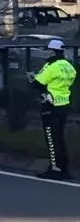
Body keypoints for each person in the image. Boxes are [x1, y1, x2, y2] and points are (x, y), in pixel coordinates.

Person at [30, 39, 75, 180]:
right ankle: (64, 169)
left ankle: (54, 170)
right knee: (60, 139)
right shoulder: (69, 67)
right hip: (64, 106)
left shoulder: (51, 66)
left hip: (50, 106)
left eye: (48, 51)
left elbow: (37, 83)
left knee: (51, 139)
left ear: (53, 51)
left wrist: (32, 78)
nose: (46, 54)